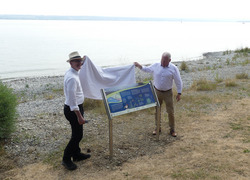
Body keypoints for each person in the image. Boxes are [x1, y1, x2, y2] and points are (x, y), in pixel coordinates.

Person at [134, 52, 183, 137]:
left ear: (169, 60)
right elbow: (147, 69)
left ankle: (172, 130)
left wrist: (179, 93)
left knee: (170, 112)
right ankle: (157, 128)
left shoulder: (173, 68)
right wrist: (139, 66)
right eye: (162, 60)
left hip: (168, 93)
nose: (162, 62)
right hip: (157, 92)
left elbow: (178, 81)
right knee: (157, 110)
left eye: (165, 61)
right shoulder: (156, 65)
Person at [62, 51, 91, 170]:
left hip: (75, 108)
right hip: (73, 110)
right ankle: (66, 159)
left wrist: (84, 59)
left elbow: (81, 62)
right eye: (76, 61)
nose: (79, 63)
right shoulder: (72, 78)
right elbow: (72, 100)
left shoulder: (72, 71)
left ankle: (76, 154)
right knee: (77, 135)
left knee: (77, 133)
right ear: (71, 63)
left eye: (80, 61)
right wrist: (79, 116)